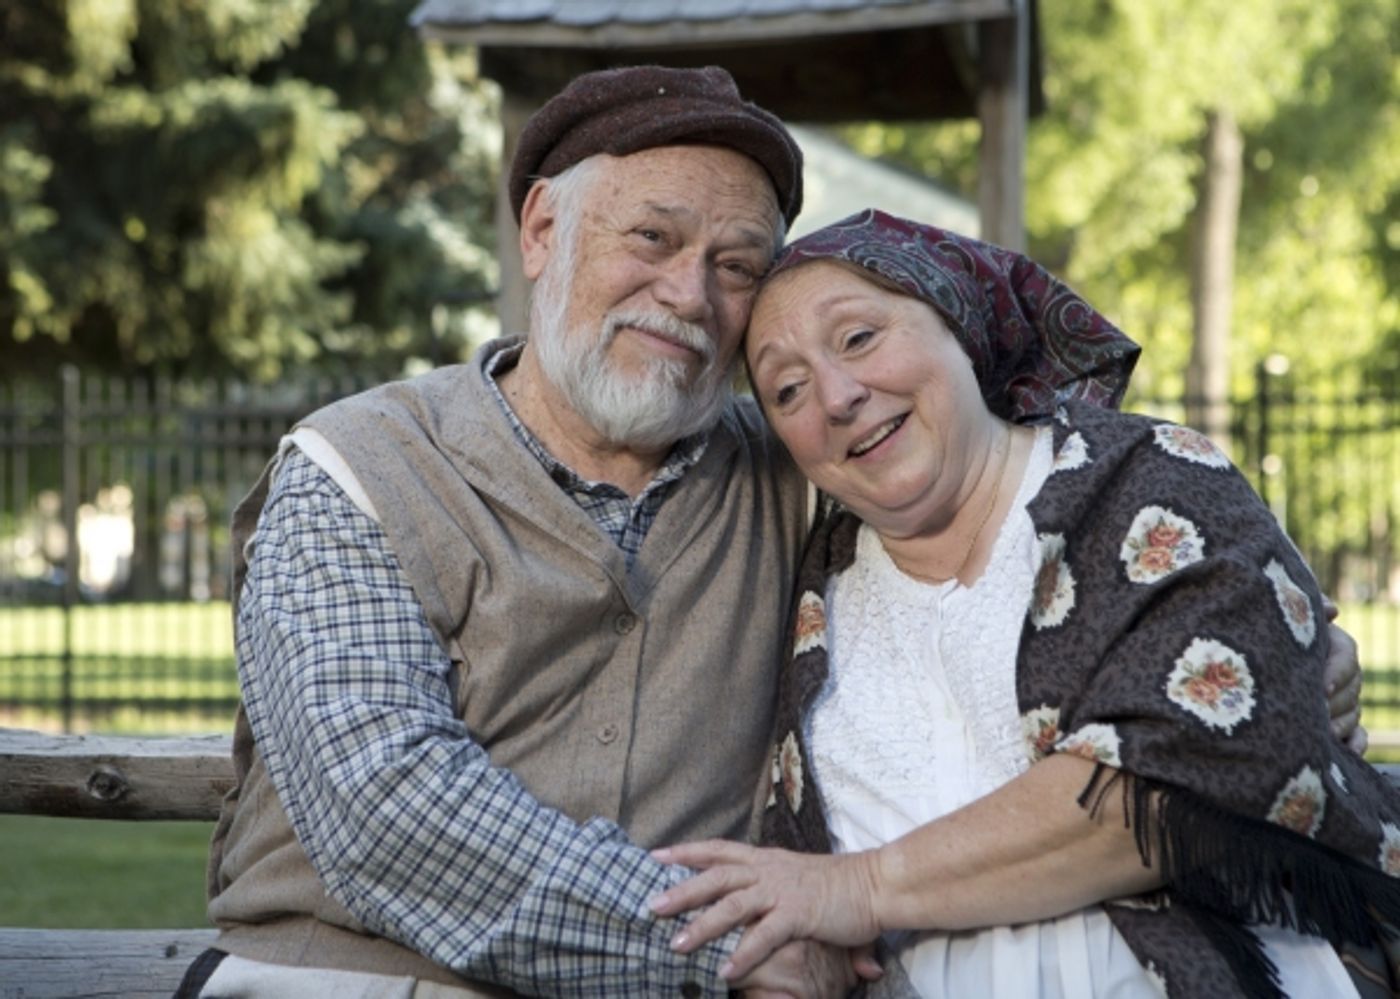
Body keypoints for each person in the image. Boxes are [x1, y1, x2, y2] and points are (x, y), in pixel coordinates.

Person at [177, 64, 1364, 997]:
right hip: (347, 982)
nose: (689, 296)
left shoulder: (804, 477)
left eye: (735, 266)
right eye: (650, 239)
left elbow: (1126, 610)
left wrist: (1259, 649)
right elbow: (385, 809)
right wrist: (725, 947)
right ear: (541, 230)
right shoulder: (356, 471)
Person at [649, 209, 1400, 999]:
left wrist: (858, 888)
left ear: (960, 329)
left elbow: (1176, 782)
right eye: (787, 388)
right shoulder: (812, 589)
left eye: (860, 338)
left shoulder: (1146, 479)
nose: (836, 396)